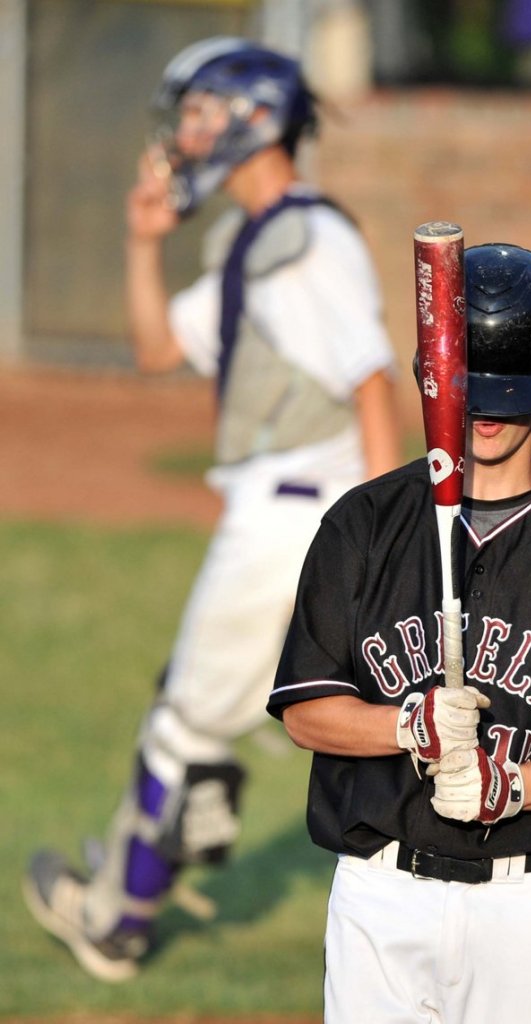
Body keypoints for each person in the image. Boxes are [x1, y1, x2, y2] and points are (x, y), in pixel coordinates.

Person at [23, 37, 400, 983]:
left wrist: (400, 531)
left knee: (188, 723)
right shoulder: (251, 236)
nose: (182, 134)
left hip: (293, 519)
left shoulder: (308, 239)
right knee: (225, 712)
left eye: (198, 113)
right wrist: (144, 241)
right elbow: (159, 350)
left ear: (251, 119)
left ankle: (116, 920)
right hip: (287, 517)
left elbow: (369, 383)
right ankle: (153, 867)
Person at [267, 242, 531, 1024]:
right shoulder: (360, 526)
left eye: (509, 398)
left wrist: (517, 786)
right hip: (381, 899)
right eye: (473, 396)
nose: (489, 418)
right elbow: (304, 710)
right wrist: (406, 723)